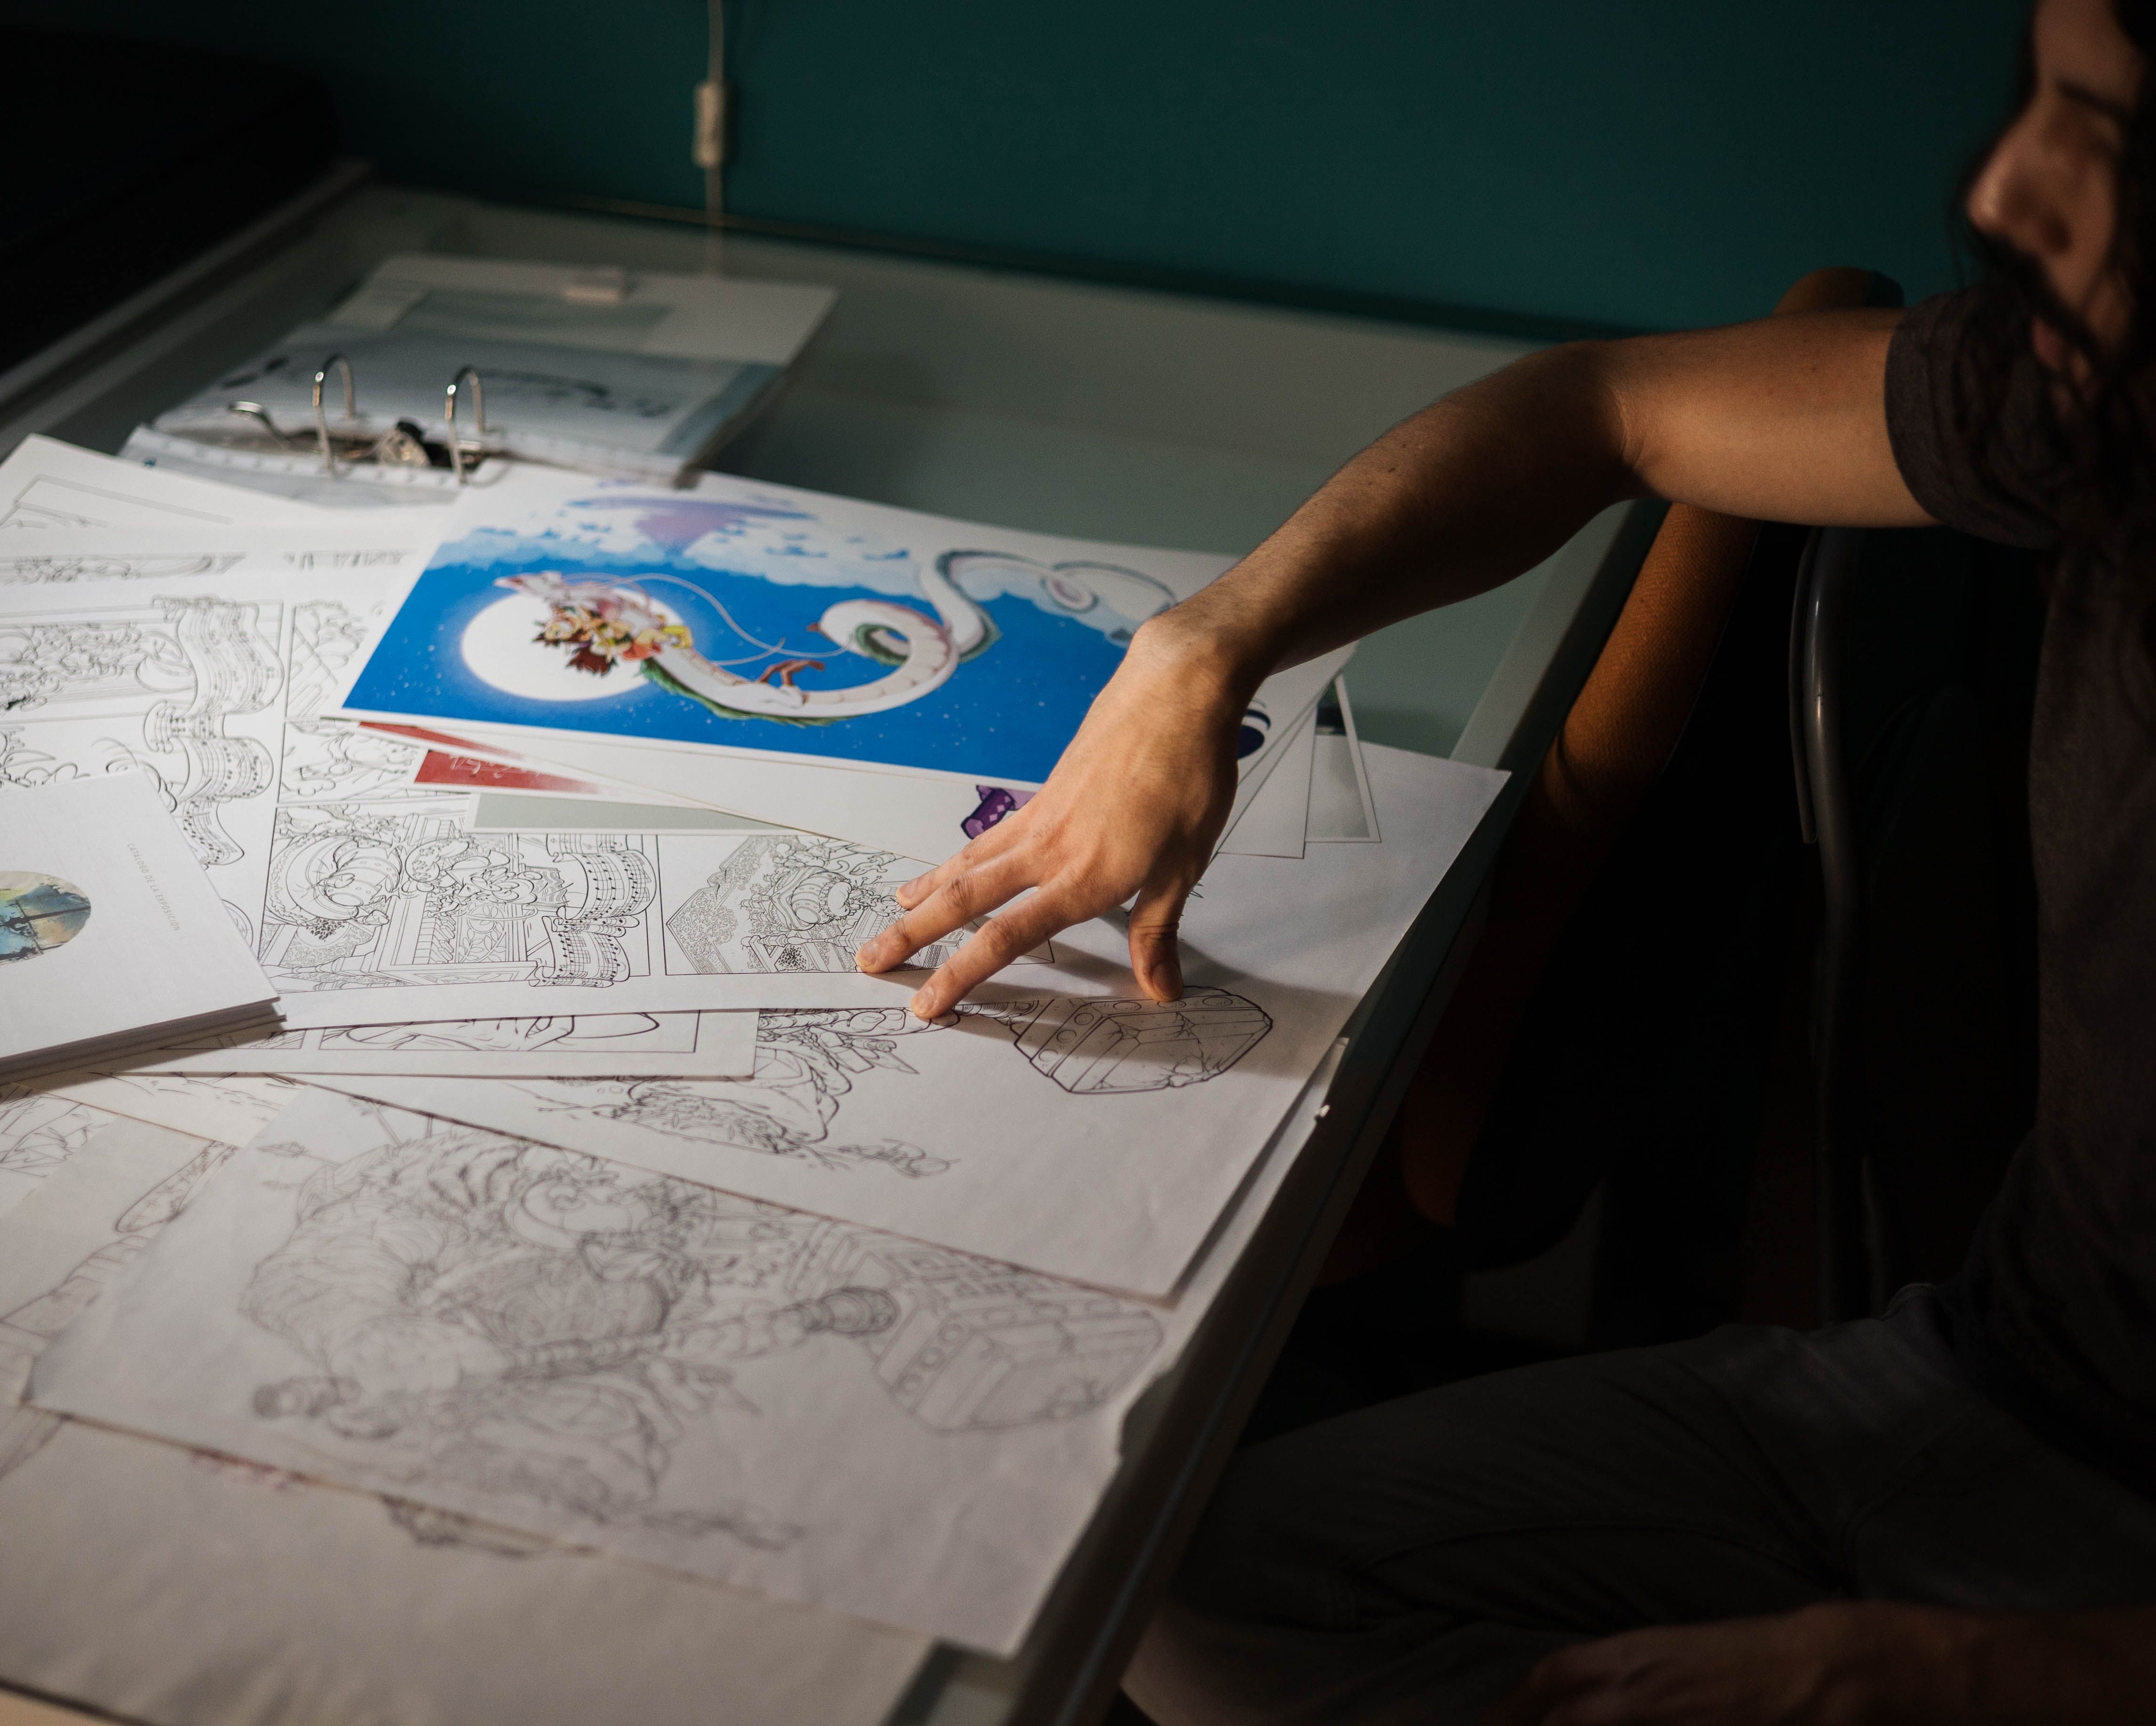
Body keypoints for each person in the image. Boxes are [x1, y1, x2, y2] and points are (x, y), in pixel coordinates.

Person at [857, 0, 2156, 1717]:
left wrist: (1993, 1675)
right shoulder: (2081, 395)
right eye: (2038, 97)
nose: (2003, 190)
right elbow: (1601, 409)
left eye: (2112, 139)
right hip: (1997, 1378)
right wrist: (1202, 650)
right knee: (1174, 1599)